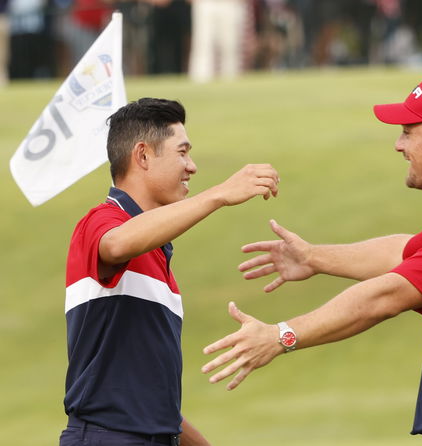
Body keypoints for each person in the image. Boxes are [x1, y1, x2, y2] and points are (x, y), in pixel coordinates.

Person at [201, 74, 422, 445]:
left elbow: (382, 298)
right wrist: (312, 257)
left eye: (407, 131)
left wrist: (280, 336)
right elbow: (401, 253)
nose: (398, 145)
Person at [61, 98, 280, 446]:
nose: (192, 166)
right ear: (143, 156)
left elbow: (148, 404)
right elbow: (115, 245)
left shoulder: (157, 252)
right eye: (182, 152)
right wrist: (220, 194)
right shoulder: (102, 221)